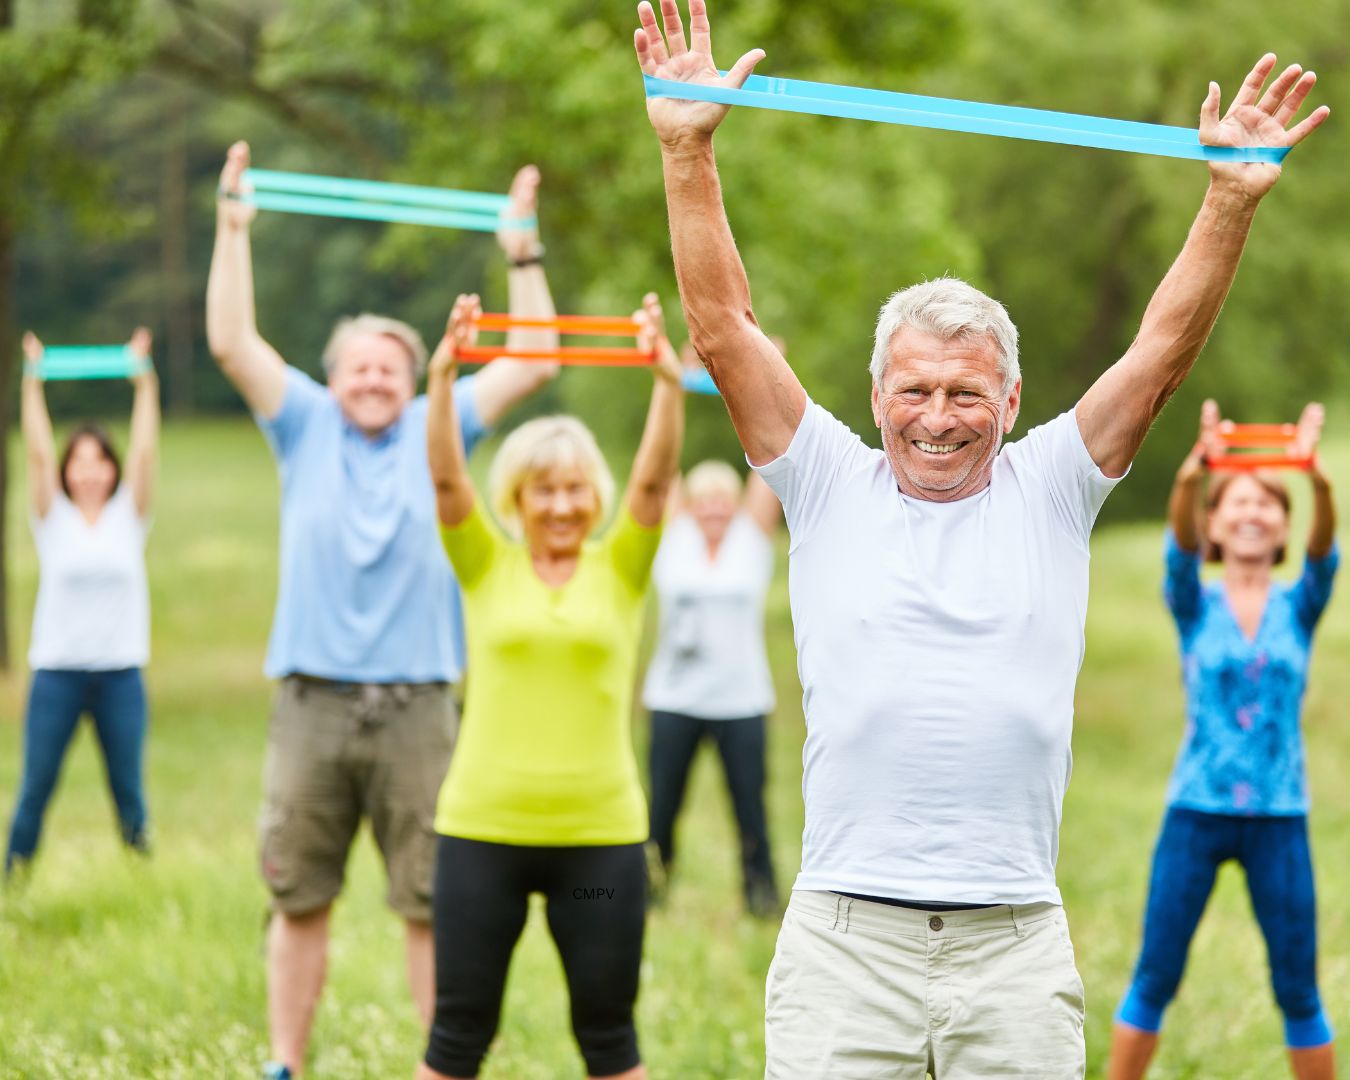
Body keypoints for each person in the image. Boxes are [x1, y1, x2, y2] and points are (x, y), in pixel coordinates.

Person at [632, 1, 1329, 1074]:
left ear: (1011, 399)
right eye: (915, 389)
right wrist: (686, 152)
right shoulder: (822, 477)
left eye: (967, 391)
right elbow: (725, 331)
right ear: (875, 395)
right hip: (843, 942)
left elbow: (1159, 355)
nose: (939, 415)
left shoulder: (1052, 483)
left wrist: (1228, 200)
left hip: (1011, 945)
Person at [207, 141, 562, 1080]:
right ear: (334, 378)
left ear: (415, 380)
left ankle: (439, 1068)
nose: (372, 381)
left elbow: (533, 361)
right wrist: (232, 230)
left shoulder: (439, 425)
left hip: (419, 708)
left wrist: (520, 248)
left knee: (429, 904)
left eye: (389, 369)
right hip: (312, 702)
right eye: (357, 368)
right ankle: (285, 1064)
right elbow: (231, 346)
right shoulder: (303, 421)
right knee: (298, 899)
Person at [415, 291, 684, 1080]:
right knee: (456, 1035)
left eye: (575, 490)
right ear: (518, 498)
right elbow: (443, 483)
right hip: (481, 838)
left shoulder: (622, 567)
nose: (562, 505)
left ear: (593, 496)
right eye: (544, 490)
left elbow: (655, 485)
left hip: (598, 848)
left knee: (609, 1038)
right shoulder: (483, 562)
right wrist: (441, 381)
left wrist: (667, 384)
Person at [1108, 400, 1338, 1080]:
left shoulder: (1301, 602)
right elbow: (1177, 542)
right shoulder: (1193, 602)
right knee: (1156, 975)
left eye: (1267, 505)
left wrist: (1314, 478)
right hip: (1196, 812)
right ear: (1214, 521)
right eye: (1235, 502)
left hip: (1279, 816)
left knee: (1297, 987)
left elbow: (1327, 545)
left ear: (1284, 528)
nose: (1250, 513)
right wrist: (1197, 470)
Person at [5, 328, 159, 878]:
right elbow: (39, 452)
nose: (90, 471)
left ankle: (143, 879)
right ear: (67, 471)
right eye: (80, 462)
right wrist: (33, 379)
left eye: (100, 461)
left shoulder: (129, 516)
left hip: (120, 676)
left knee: (129, 791)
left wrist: (143, 380)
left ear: (113, 468)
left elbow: (145, 449)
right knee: (36, 787)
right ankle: (13, 877)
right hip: (57, 675)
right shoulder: (53, 519)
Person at [643, 457, 781, 915]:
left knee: (750, 810)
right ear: (689, 507)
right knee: (662, 806)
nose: (713, 510)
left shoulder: (752, 540)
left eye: (723, 501)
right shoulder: (673, 537)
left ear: (737, 505)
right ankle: (649, 892)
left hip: (741, 702)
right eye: (703, 501)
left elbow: (767, 455)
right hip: (673, 700)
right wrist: (672, 387)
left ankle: (760, 899)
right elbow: (661, 466)